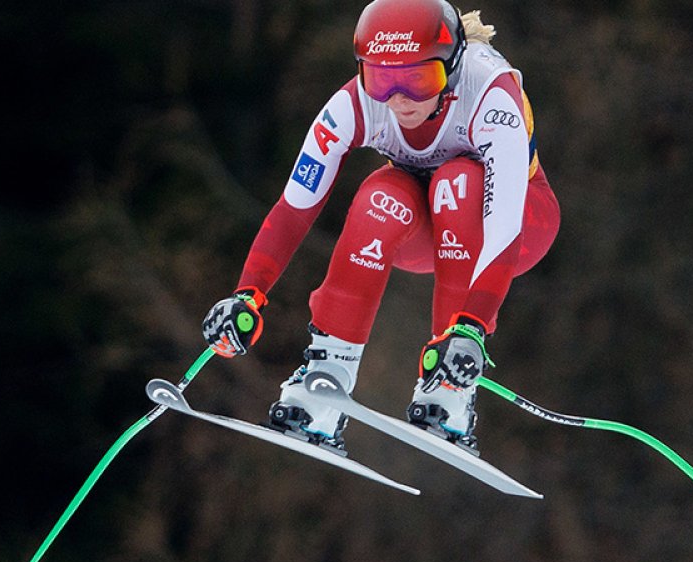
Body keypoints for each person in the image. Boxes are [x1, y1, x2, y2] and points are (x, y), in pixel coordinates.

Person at [201, 0, 560, 457]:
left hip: (517, 228)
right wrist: (247, 293)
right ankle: (326, 380)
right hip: (427, 235)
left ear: (450, 68)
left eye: (418, 80)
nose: (398, 99)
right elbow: (295, 206)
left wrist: (472, 327)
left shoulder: (490, 94)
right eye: (381, 80)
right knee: (378, 196)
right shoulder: (353, 105)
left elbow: (504, 225)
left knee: (458, 182)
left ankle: (448, 393)